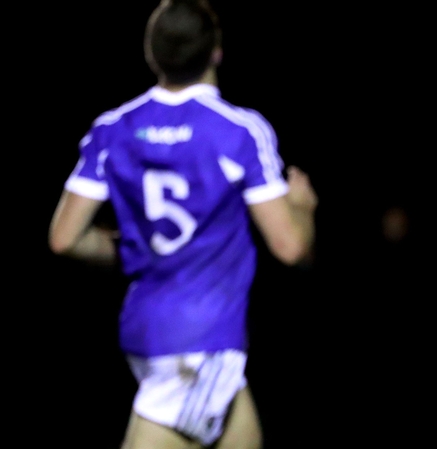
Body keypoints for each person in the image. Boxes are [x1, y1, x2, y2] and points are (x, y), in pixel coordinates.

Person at [48, 1, 317, 448]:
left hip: (148, 329)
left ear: (151, 53)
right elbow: (290, 248)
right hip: (200, 342)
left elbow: (64, 238)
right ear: (216, 51)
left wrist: (133, 249)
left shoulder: (113, 129)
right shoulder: (239, 130)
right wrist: (303, 207)